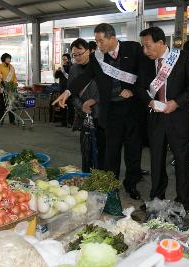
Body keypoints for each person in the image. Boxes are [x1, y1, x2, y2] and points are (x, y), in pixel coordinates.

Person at [53, 23, 144, 200]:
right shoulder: (98, 57)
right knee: (112, 152)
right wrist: (67, 91)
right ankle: (112, 185)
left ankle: (131, 184)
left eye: (100, 41)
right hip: (111, 110)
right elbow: (85, 77)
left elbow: (145, 72)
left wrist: (133, 89)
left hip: (133, 109)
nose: (98, 45)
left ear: (112, 37)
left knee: (134, 151)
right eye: (96, 41)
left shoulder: (133, 48)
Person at [135, 27, 189, 210]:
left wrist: (176, 102)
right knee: (156, 158)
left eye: (148, 46)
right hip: (155, 117)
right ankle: (157, 198)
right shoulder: (146, 61)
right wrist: (149, 101)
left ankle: (183, 201)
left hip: (178, 117)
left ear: (161, 43)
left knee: (181, 159)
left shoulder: (184, 58)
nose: (145, 51)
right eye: (143, 46)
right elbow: (139, 87)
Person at [68, 38, 105, 172]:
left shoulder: (101, 66)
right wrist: (82, 106)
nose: (77, 57)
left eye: (80, 53)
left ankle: (102, 179)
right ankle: (86, 177)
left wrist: (95, 100)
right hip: (84, 116)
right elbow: (71, 93)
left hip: (101, 115)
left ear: (88, 51)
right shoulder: (73, 69)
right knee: (86, 149)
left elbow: (107, 89)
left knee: (102, 150)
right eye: (74, 55)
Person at [0, 53, 17, 125]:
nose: (9, 60)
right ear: (4, 59)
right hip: (2, 89)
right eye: (8, 58)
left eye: (10, 58)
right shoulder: (0, 67)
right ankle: (0, 120)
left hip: (11, 88)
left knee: (11, 104)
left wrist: (15, 83)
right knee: (2, 105)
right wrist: (1, 82)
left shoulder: (12, 67)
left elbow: (14, 77)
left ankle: (12, 120)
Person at [54, 53, 72, 127]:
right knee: (62, 105)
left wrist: (64, 69)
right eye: (63, 59)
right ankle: (63, 122)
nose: (64, 61)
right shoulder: (62, 68)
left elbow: (70, 76)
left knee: (70, 106)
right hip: (62, 89)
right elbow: (56, 76)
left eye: (65, 59)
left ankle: (70, 123)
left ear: (68, 59)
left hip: (69, 90)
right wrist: (57, 71)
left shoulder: (71, 66)